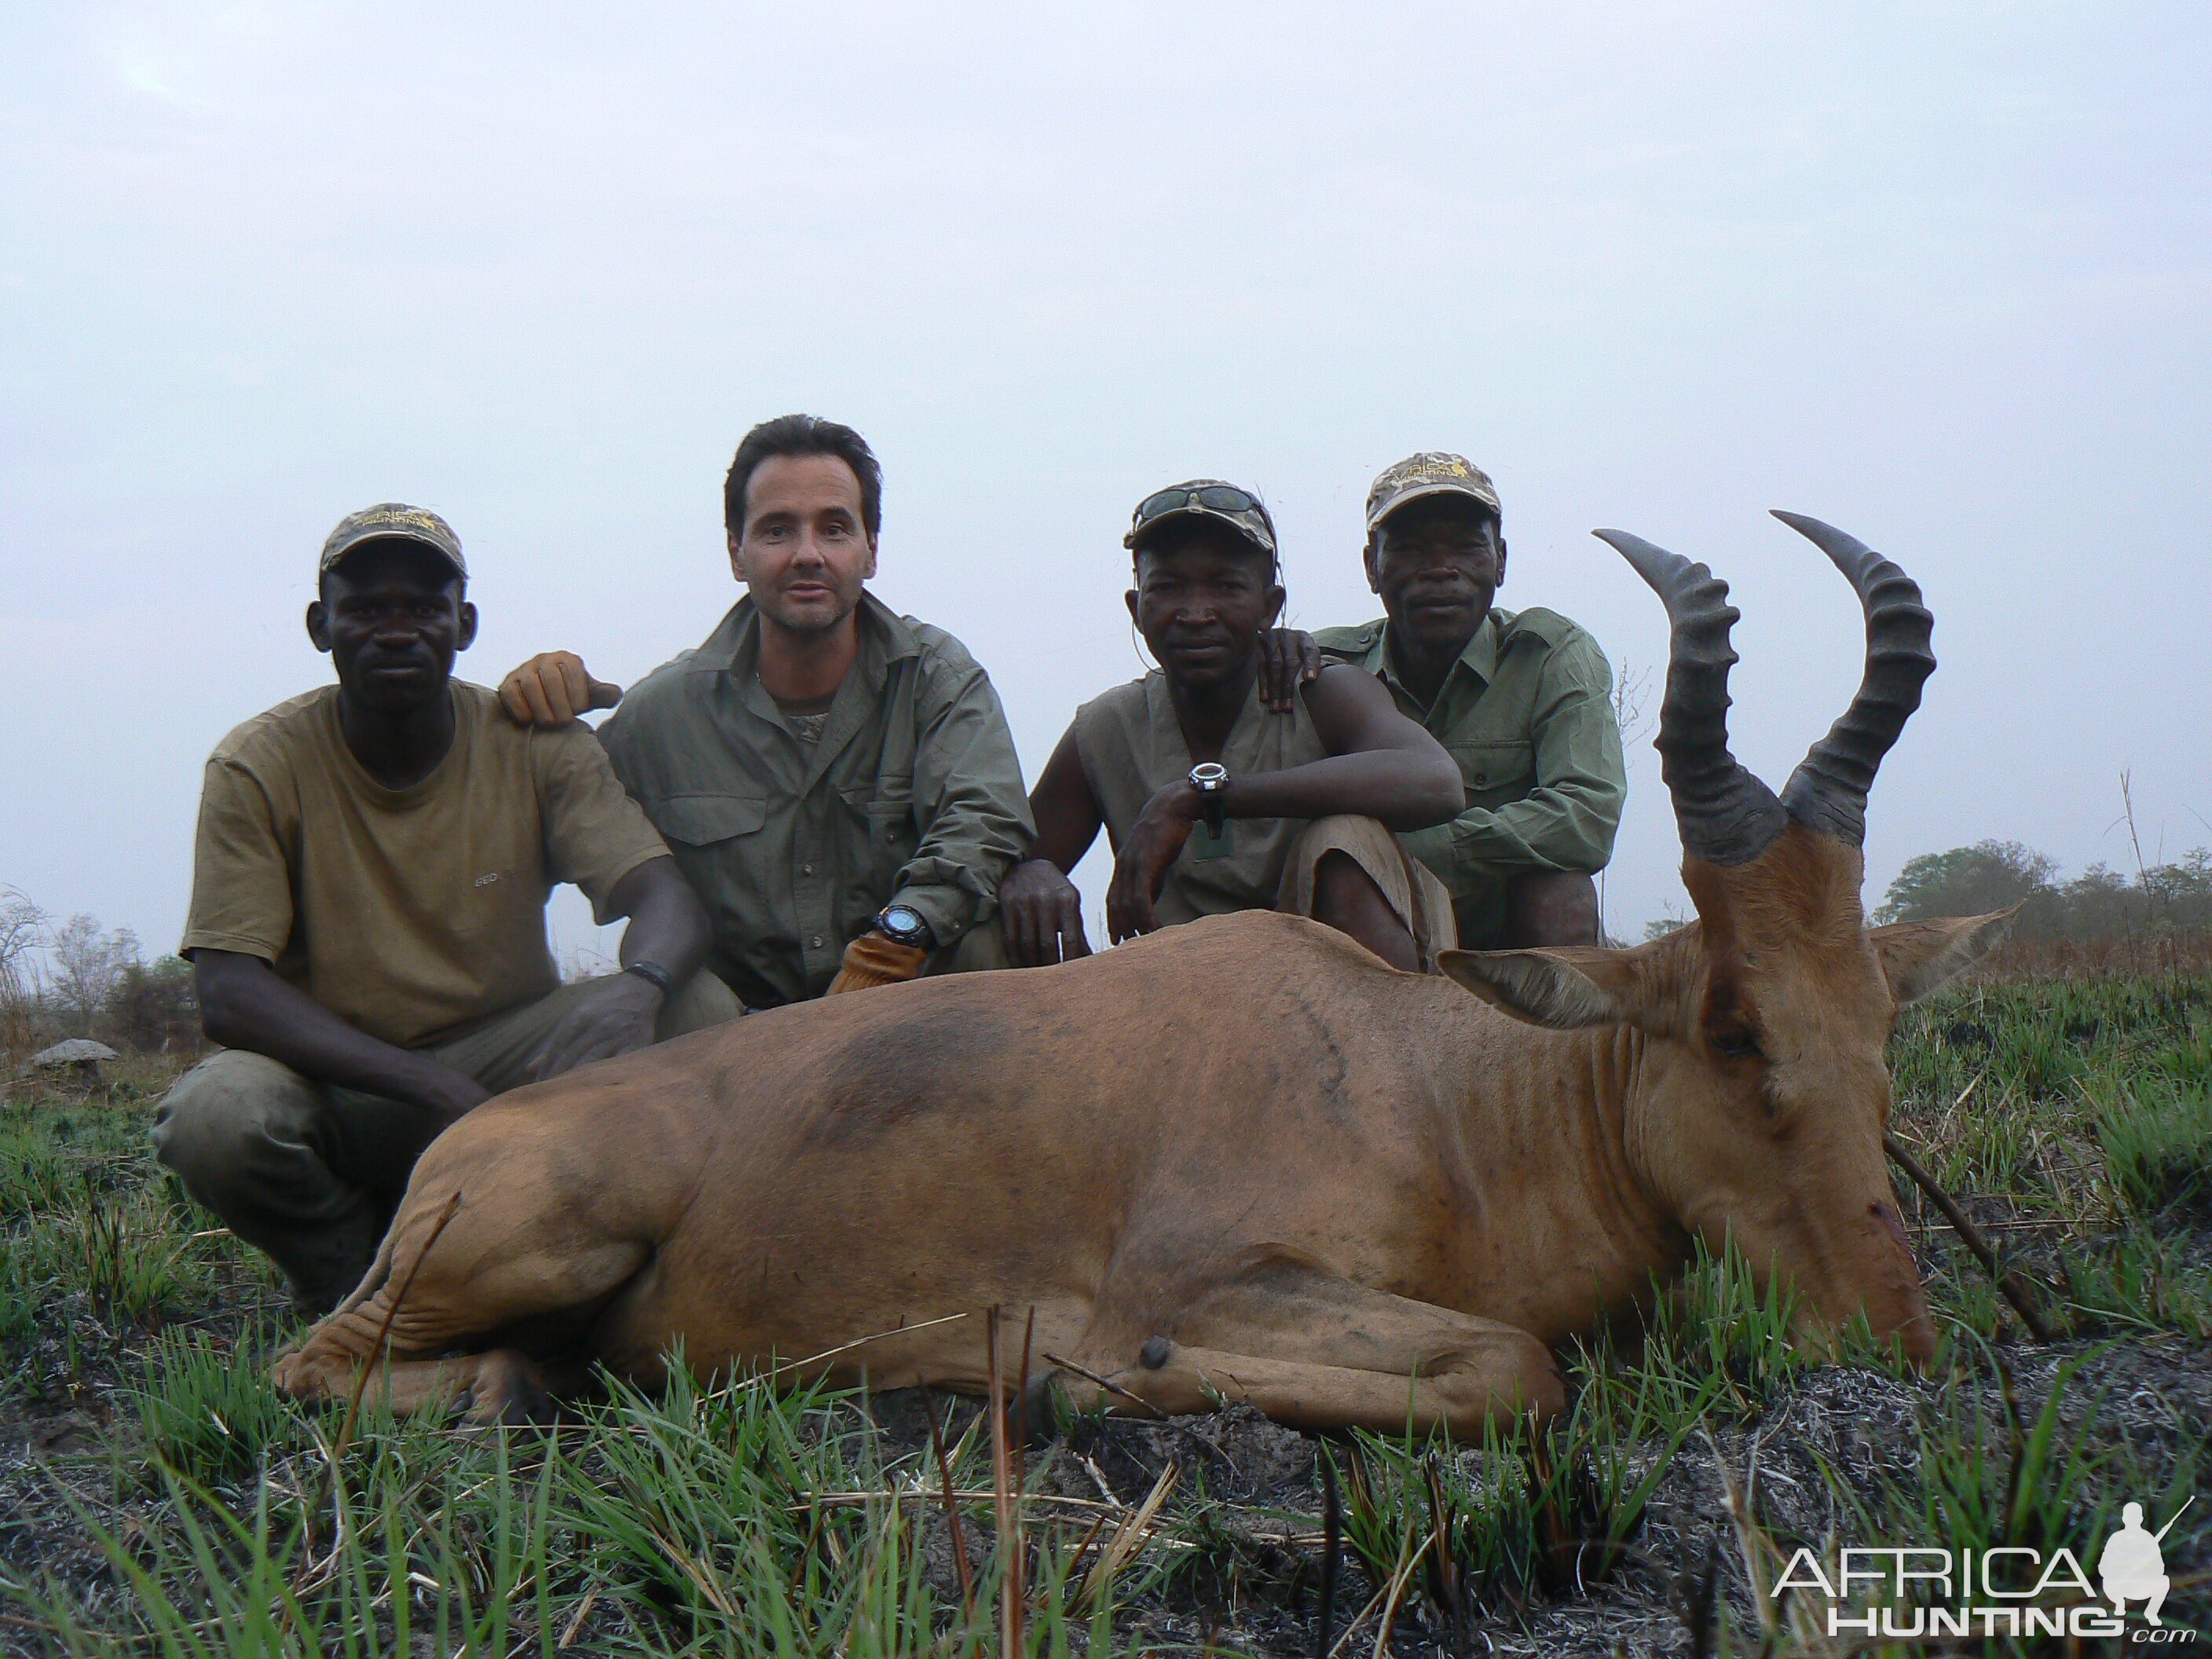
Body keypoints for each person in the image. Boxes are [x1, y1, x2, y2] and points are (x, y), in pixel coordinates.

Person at [153, 504, 734, 1315]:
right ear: (321, 627)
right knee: (215, 1116)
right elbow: (228, 990)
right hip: (343, 1085)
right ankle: (350, 1279)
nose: (396, 631)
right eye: (364, 609)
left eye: (424, 609)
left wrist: (636, 986)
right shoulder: (256, 762)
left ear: (462, 624)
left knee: (700, 1006)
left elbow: (663, 896)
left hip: (518, 1074)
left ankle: (645, 1259)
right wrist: (428, 1087)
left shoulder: (537, 742)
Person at [497, 416, 1033, 1009]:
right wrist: (529, 718)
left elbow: (983, 819)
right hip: (737, 1037)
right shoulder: (659, 717)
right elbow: (543, 823)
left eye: (834, 529)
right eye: (777, 531)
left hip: (899, 1000)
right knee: (682, 1002)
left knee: (987, 942)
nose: (808, 555)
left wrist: (891, 945)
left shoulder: (937, 678)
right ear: (737, 552)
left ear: (870, 550)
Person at [997, 479, 1464, 971]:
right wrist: (1030, 871)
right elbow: (1013, 856)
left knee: (1345, 836)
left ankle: (1387, 1038)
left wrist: (1206, 797)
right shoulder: (1107, 727)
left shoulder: (1321, 692)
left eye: (1227, 587)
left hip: (1328, 988)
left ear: (1270, 605)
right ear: (1136, 609)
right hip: (1180, 996)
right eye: (1167, 587)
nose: (1196, 614)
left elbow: (1435, 781)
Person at [1284, 453, 1627, 948]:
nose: (1441, 570)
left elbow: (1587, 817)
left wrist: (1404, 856)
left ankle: (1551, 1029)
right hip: (1367, 931)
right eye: (1410, 550)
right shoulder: (1323, 665)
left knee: (1562, 892)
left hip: (1503, 938)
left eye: (1467, 548)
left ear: (1501, 561)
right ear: (1372, 568)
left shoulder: (1550, 654)